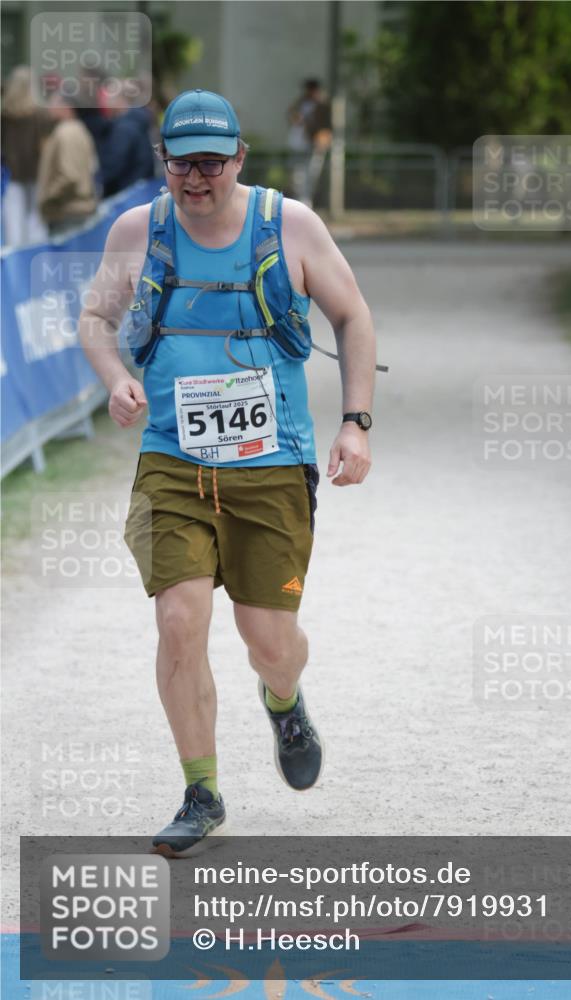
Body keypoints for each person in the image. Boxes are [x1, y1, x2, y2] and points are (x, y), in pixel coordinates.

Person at [79, 89, 376, 856]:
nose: (197, 178)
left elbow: (353, 315)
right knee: (179, 620)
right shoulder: (137, 232)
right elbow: (96, 319)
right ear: (164, 161)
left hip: (271, 464)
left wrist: (355, 421)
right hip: (171, 460)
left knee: (268, 640)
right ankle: (201, 792)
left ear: (240, 158)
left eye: (212, 162)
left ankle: (283, 699)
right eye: (182, 163)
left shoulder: (291, 226)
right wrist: (116, 378)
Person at [1, 65, 52, 246]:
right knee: (36, 221)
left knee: (13, 222)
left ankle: (15, 259)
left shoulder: (4, 115)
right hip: (37, 171)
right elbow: (45, 146)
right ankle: (35, 255)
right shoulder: (41, 114)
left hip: (12, 174)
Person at [37, 93, 99, 236]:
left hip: (68, 210)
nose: (49, 108)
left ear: (67, 107)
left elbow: (70, 176)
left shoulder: (65, 133)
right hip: (77, 209)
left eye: (54, 103)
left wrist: (47, 198)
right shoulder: (78, 128)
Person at [286, 78, 332, 208]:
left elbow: (326, 126)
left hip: (315, 144)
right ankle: (300, 202)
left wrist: (322, 141)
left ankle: (306, 202)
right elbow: (291, 116)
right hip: (299, 144)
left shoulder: (323, 105)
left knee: (312, 174)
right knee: (297, 175)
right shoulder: (300, 103)